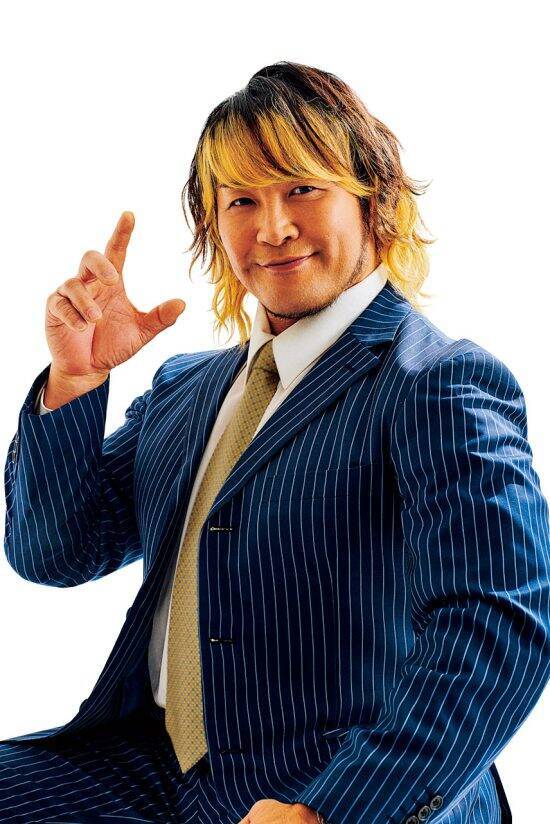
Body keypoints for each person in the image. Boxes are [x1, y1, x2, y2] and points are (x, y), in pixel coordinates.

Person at [1, 60, 548, 824]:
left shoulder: (436, 381)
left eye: (301, 189)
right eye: (242, 201)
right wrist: (75, 382)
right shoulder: (187, 389)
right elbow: (55, 553)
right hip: (149, 764)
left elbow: (495, 625)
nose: (273, 227)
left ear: (373, 198)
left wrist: (334, 810)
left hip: (338, 773)